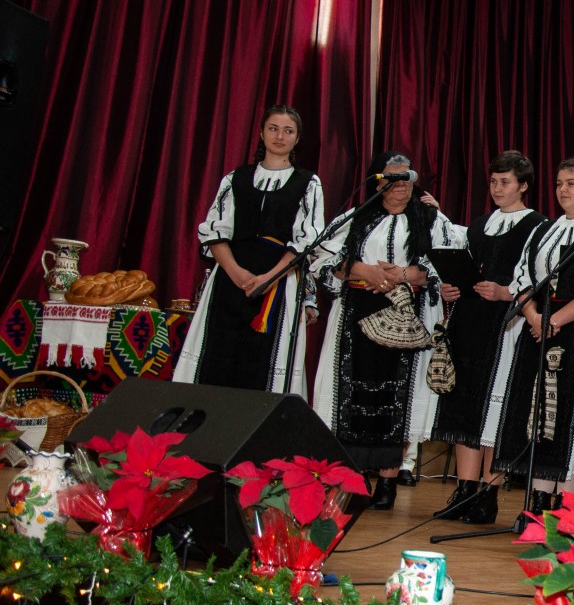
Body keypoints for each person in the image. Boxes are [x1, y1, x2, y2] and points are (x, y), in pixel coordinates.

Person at [312, 152, 456, 510]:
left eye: (406, 179)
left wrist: (403, 275)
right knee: (354, 393)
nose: (400, 186)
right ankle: (354, 476)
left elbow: (447, 262)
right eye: (392, 179)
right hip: (356, 313)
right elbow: (323, 258)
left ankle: (388, 481)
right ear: (378, 182)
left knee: (397, 396)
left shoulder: (429, 218)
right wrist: (365, 270)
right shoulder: (357, 217)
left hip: (408, 313)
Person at [494, 157, 574, 512]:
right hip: (538, 325)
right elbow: (522, 278)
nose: (563, 190)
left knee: (571, 410)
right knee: (538, 410)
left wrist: (554, 321)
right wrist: (535, 317)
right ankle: (537, 502)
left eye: (571, 183)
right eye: (559, 183)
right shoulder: (543, 230)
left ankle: (566, 507)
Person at [175, 105, 324, 395]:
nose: (279, 136)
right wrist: (236, 273)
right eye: (273, 128)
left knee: (262, 360)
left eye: (288, 131)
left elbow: (306, 239)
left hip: (278, 280)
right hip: (230, 279)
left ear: (297, 139)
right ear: (261, 133)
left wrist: (268, 278)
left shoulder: (308, 183)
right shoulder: (236, 178)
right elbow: (215, 231)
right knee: (219, 353)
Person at [434, 152, 547, 525]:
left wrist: (505, 292)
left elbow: (538, 278)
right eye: (494, 182)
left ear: (523, 185)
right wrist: (452, 287)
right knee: (465, 404)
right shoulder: (480, 225)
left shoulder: (536, 225)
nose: (498, 188)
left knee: (495, 407)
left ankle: (489, 491)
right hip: (471, 321)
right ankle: (465, 489)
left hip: (506, 323)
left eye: (506, 182)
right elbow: (467, 267)